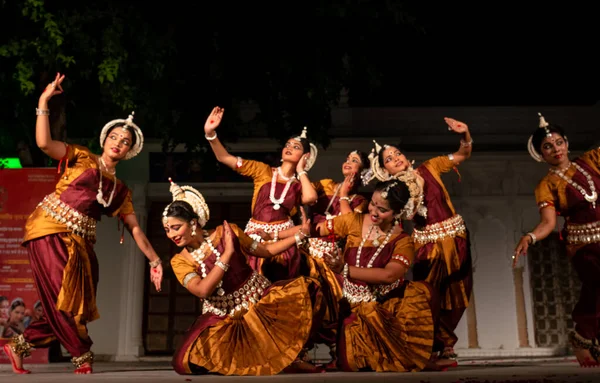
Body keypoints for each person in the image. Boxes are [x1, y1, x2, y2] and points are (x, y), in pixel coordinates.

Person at [2, 73, 163, 375]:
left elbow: (136, 229)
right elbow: (44, 143)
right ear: (105, 140)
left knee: (71, 303)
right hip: (48, 229)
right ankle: (82, 355)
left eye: (125, 142)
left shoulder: (121, 190)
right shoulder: (81, 157)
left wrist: (155, 260)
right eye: (114, 137)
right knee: (63, 299)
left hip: (80, 244)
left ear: (130, 151)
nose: (118, 143)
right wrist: (43, 102)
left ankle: (19, 345)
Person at [163, 179, 324, 375]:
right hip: (222, 315)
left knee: (309, 290)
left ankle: (293, 357)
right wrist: (227, 254)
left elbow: (265, 250)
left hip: (258, 298)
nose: (171, 235)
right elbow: (202, 290)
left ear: (193, 223)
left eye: (176, 227)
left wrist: (299, 236)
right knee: (184, 362)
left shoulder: (226, 231)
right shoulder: (179, 261)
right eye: (167, 230)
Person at [367, 117, 473, 365]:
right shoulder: (393, 192)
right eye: (389, 160)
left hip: (455, 237)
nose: (397, 159)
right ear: (385, 171)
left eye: (398, 154)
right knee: (429, 294)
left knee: (460, 291)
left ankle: (444, 341)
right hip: (427, 246)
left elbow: (462, 154)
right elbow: (404, 216)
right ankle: (437, 344)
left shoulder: (430, 167)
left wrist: (465, 134)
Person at [311, 179, 440, 372]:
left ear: (397, 213)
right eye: (372, 203)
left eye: (382, 209)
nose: (373, 211)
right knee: (351, 362)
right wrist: (276, 236)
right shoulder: (354, 221)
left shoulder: (403, 241)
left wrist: (344, 269)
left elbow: (389, 275)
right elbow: (316, 229)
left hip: (386, 307)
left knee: (378, 362)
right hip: (353, 306)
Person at [514, 113, 600, 367]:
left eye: (559, 142)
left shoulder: (591, 161)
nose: (556, 149)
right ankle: (583, 334)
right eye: (548, 146)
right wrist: (530, 236)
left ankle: (590, 336)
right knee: (597, 284)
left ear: (567, 143)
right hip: (583, 244)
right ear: (541, 154)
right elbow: (549, 223)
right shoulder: (546, 184)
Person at [203, 106, 318, 282]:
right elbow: (225, 158)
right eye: (287, 145)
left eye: (296, 147)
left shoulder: (298, 185)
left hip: (282, 245)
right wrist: (210, 133)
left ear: (305, 156)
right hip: (253, 238)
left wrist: (301, 169)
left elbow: (310, 198)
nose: (289, 148)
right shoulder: (262, 171)